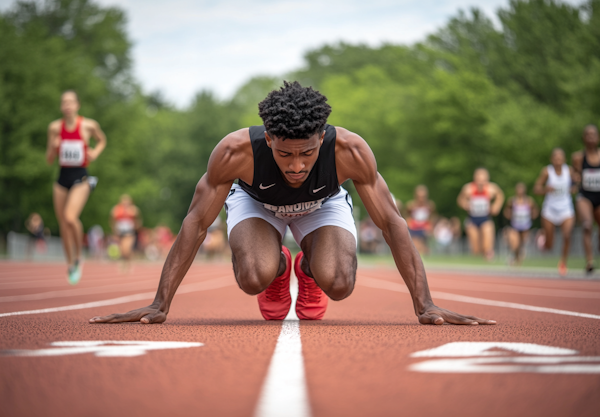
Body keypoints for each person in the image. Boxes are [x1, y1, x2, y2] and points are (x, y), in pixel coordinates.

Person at [90, 81, 494, 326]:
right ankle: (281, 266)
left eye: (308, 153)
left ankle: (311, 269)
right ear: (268, 138)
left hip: (323, 205)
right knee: (253, 276)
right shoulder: (234, 152)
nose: (297, 165)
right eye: (285, 155)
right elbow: (195, 223)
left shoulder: (350, 151)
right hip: (257, 204)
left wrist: (424, 304)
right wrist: (162, 303)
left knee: (339, 282)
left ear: (322, 137)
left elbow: (392, 223)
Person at [46, 90, 107, 284]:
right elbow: (49, 160)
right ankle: (71, 263)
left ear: (77, 105)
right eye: (64, 102)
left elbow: (102, 140)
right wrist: (54, 147)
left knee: (70, 217)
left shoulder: (88, 125)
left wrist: (95, 152)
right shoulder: (55, 128)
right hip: (62, 178)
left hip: (81, 177)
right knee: (63, 223)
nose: (67, 105)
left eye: (71, 102)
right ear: (60, 106)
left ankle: (79, 257)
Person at [534, 148, 577, 276]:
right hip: (550, 210)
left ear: (564, 159)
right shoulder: (547, 171)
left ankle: (563, 262)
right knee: (549, 246)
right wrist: (545, 189)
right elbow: (536, 189)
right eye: (555, 158)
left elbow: (576, 184)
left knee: (567, 235)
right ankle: (543, 238)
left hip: (566, 208)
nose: (558, 161)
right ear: (551, 159)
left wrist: (574, 187)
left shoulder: (568, 170)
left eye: (560, 158)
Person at [457, 168, 505, 260]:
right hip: (472, 219)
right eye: (478, 179)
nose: (481, 182)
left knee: (487, 247)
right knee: (475, 249)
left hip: (486, 218)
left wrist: (496, 206)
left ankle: (489, 258)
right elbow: (460, 199)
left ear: (487, 179)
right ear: (475, 178)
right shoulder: (468, 189)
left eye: (483, 179)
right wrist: (465, 205)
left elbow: (500, 195)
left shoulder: (491, 188)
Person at [572, 125, 600, 275]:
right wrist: (575, 179)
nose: (590, 137)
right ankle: (590, 261)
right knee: (587, 225)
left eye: (593, 134)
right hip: (585, 196)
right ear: (583, 138)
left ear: (598, 137)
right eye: (587, 135)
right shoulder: (578, 157)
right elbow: (574, 176)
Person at [503, 183, 539, 265]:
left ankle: (517, 258)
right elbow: (506, 210)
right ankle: (515, 257)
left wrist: (533, 216)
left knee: (522, 243)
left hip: (525, 225)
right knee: (515, 244)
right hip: (515, 225)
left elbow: (535, 209)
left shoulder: (529, 201)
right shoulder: (512, 201)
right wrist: (508, 215)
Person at [110, 195, 142, 271]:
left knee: (126, 249)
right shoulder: (116, 209)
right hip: (120, 232)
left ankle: (128, 263)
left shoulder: (134, 210)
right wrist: (114, 230)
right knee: (122, 250)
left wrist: (136, 227)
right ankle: (124, 263)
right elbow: (112, 220)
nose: (126, 203)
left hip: (129, 232)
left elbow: (138, 220)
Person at [405, 185, 435, 255]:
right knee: (415, 246)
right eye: (419, 196)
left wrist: (430, 226)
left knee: (424, 247)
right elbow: (407, 216)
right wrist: (409, 224)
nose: (421, 199)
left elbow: (432, 217)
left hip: (424, 228)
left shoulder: (430, 205)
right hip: (414, 228)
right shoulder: (411, 205)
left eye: (423, 196)